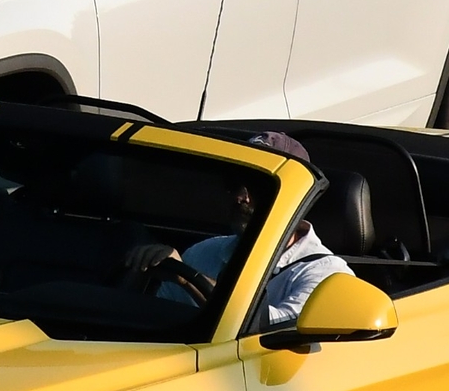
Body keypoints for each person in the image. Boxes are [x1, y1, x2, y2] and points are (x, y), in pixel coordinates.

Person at [147, 131, 353, 330]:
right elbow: (155, 319)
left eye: (257, 187)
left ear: (295, 198)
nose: (240, 198)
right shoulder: (203, 252)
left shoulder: (328, 274)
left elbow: (271, 329)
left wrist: (190, 279)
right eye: (234, 184)